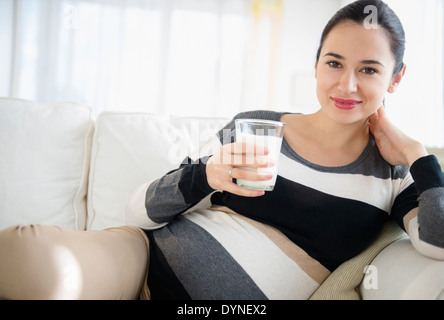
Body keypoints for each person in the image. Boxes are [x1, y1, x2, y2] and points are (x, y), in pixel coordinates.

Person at [0, 0, 443, 300]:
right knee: (31, 255)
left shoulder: (394, 173)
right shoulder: (260, 128)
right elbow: (138, 210)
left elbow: (439, 244)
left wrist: (419, 157)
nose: (347, 85)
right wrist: (206, 175)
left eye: (368, 69)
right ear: (315, 65)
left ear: (396, 78)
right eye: (334, 63)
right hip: (137, 263)